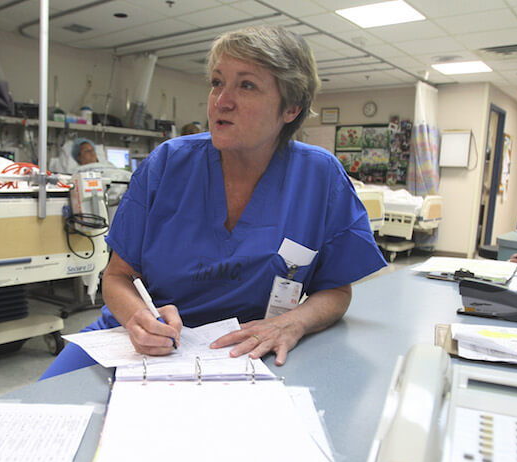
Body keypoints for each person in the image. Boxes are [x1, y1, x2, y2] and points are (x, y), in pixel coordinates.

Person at [39, 25, 386, 380]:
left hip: (244, 351)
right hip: (135, 341)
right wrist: (137, 318)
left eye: (246, 85)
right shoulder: (167, 164)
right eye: (217, 82)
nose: (221, 101)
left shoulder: (320, 177)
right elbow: (116, 277)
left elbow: (335, 291)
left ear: (291, 108)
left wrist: (291, 323)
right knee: (39, 414)